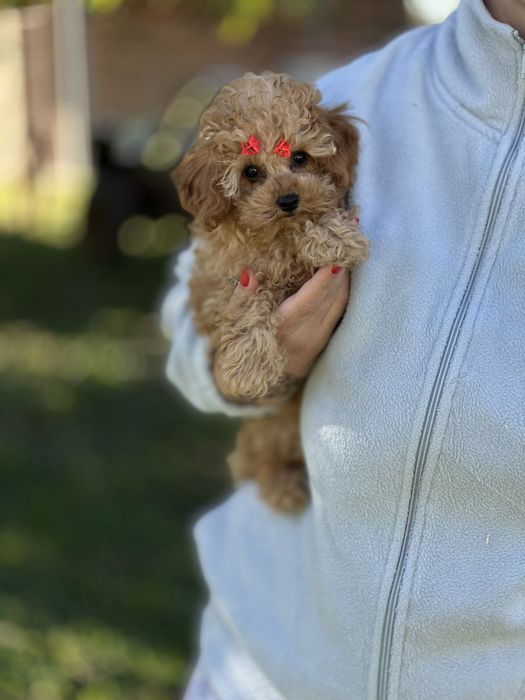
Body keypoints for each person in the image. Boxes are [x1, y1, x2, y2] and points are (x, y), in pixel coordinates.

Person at [161, 0, 525, 697]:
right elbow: (187, 311)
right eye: (256, 173)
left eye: (298, 162)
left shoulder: (331, 125)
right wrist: (248, 367)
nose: (283, 186)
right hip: (258, 668)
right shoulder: (362, 90)